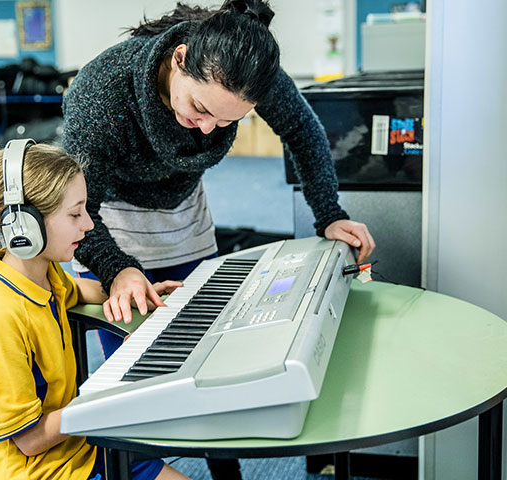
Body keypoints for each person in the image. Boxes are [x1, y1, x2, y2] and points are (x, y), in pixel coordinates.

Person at [62, 3, 375, 478]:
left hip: (187, 219)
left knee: (213, 375)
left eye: (229, 122)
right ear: (179, 58)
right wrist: (118, 269)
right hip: (107, 220)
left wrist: (329, 215)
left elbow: (305, 131)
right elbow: (79, 211)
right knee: (138, 395)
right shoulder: (101, 93)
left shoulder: (250, 77)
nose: (209, 129)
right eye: (201, 109)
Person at [0, 142, 189, 479]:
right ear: (24, 226)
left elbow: (78, 290)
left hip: (75, 448)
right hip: (37, 470)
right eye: (75, 213)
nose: (89, 225)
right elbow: (29, 439)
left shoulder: (43, 275)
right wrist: (106, 397)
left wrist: (135, 292)